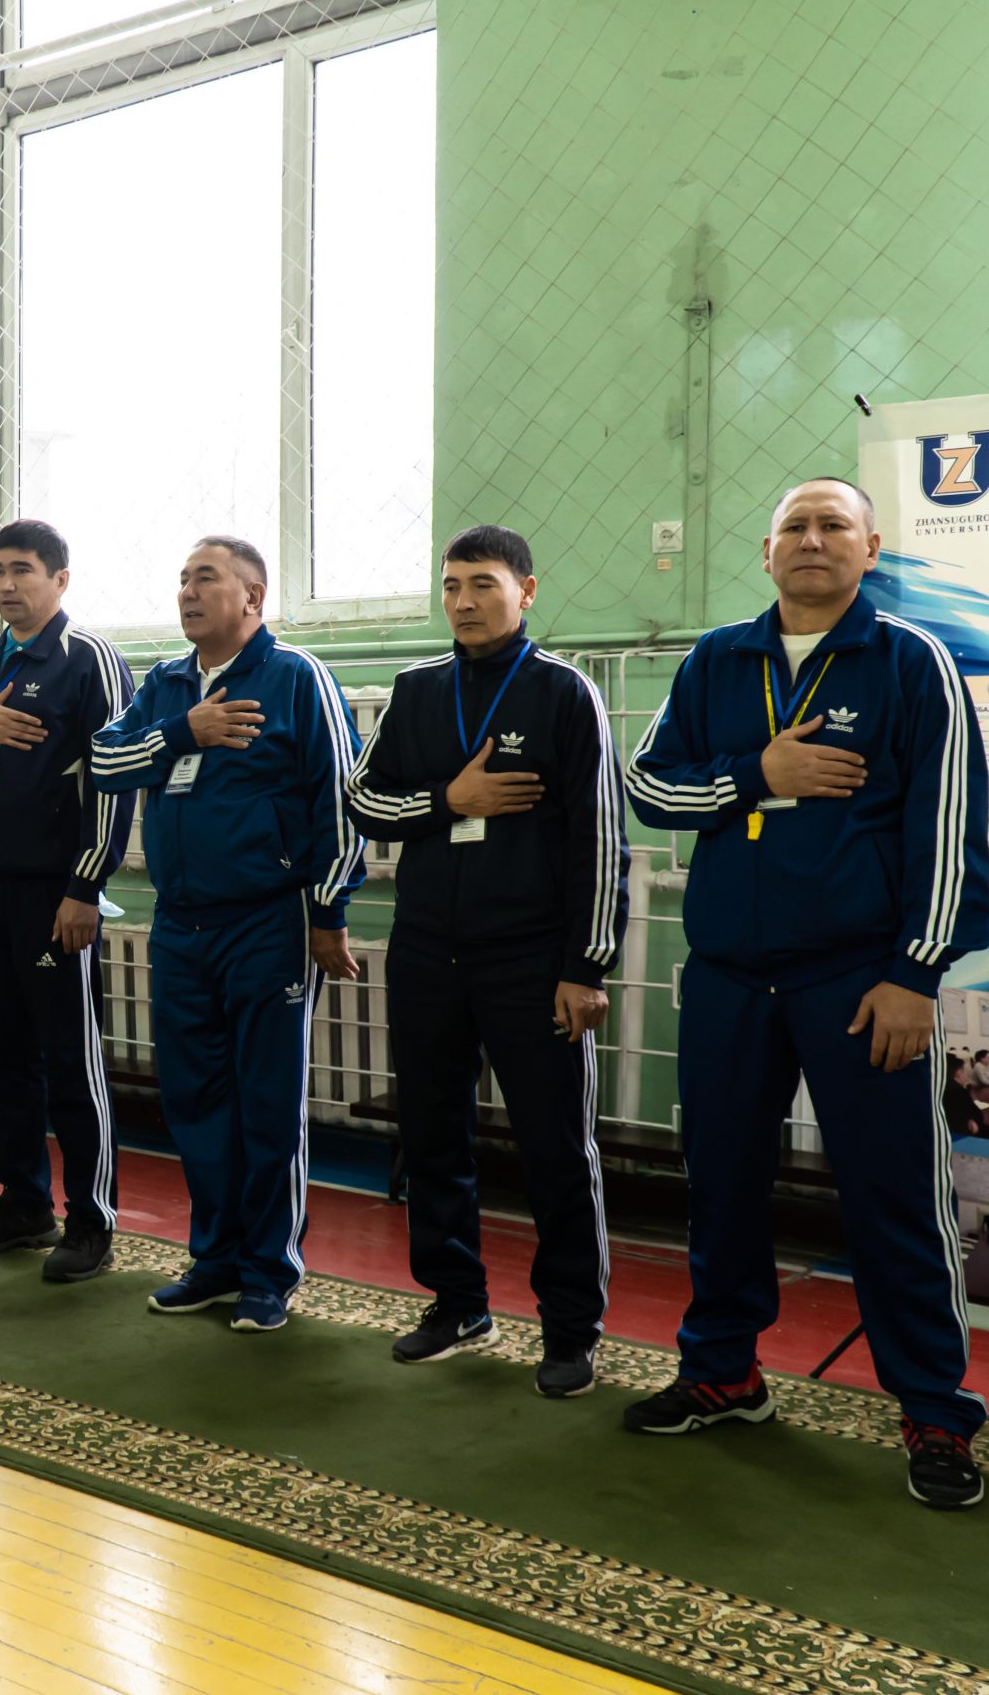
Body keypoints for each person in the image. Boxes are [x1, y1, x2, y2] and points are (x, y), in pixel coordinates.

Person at [625, 476, 989, 1510]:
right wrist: (756, 774)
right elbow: (651, 786)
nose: (813, 540)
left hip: (859, 982)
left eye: (835, 525)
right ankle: (723, 1373)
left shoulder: (909, 661)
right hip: (730, 977)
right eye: (795, 525)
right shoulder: (714, 659)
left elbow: (949, 826)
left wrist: (914, 974)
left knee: (893, 1198)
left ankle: (934, 1410)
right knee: (722, 1185)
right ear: (766, 550)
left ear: (871, 549)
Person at [344, 524, 629, 1397]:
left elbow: (599, 838)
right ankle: (457, 1301)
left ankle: (571, 1327)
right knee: (432, 1134)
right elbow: (363, 799)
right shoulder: (416, 689)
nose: (463, 602)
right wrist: (449, 798)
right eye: (451, 585)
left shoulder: (564, 693)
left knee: (553, 1147)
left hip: (531, 959)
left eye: (483, 584)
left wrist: (586, 965)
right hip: (428, 949)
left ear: (526, 591)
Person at [91, 536, 366, 1336]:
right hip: (180, 924)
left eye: (204, 578)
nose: (186, 591)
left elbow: (340, 802)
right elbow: (105, 762)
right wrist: (184, 731)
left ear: (253, 596)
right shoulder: (166, 684)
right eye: (182, 579)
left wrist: (327, 911)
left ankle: (267, 1272)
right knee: (195, 1098)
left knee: (266, 1102)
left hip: (267, 921)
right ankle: (214, 1259)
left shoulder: (296, 678)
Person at [0, 520, 135, 1283]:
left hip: (54, 893)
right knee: (0, 1051)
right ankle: (23, 1201)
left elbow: (114, 781)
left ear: (60, 579)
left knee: (70, 1059)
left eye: (23, 570)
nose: (7, 585)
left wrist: (85, 886)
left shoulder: (88, 659)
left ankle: (92, 1219)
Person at [942, 1053, 986, 1136]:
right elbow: (975, 1114)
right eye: (964, 1071)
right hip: (962, 1134)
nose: (966, 1074)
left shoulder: (944, 1087)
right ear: (958, 1073)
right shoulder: (957, 1091)